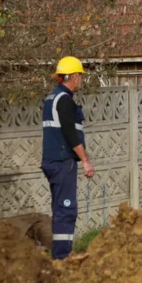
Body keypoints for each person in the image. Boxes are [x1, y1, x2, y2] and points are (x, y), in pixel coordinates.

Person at [41, 56, 95, 260]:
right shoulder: (64, 100)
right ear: (73, 77)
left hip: (51, 161)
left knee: (59, 210)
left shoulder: (51, 98)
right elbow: (70, 134)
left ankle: (59, 254)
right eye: (80, 76)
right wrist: (85, 160)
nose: (81, 80)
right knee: (66, 210)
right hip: (63, 162)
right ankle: (62, 258)